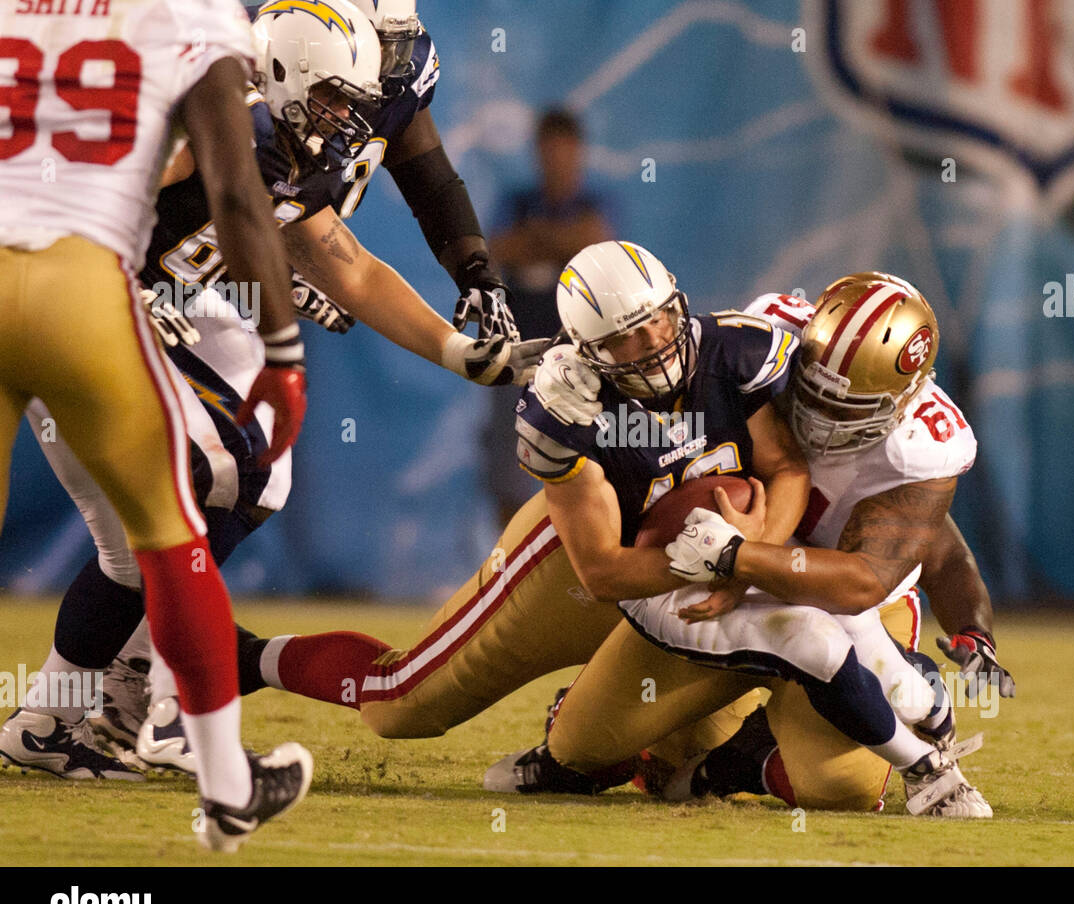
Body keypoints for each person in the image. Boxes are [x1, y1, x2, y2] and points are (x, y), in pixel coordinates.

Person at [0, 0, 545, 779]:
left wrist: (463, 355)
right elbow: (110, 185)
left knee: (252, 480)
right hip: (88, 308)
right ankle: (162, 702)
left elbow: (348, 265)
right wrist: (115, 281)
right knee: (203, 479)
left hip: (177, 306)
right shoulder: (226, 110)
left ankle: (66, 711)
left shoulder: (299, 133)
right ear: (282, 71)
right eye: (331, 100)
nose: (350, 122)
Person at [486, 272, 994, 816]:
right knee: (585, 743)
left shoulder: (922, 447)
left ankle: (894, 744)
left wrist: (738, 558)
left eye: (843, 409)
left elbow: (873, 578)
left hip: (819, 577)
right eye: (807, 390)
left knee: (838, 753)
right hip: (705, 568)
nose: (816, 417)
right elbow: (649, 343)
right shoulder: (767, 335)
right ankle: (918, 711)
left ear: (903, 400)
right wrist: (566, 366)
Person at [0, 0, 310, 850]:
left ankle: (64, 720)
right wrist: (283, 351)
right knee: (172, 537)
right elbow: (236, 193)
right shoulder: (191, 14)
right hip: (79, 288)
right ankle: (223, 785)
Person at [484, 108, 615, 526]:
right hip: (518, 354)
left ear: (579, 152)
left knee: (583, 460)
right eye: (548, 150)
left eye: (564, 150)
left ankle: (580, 560)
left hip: (579, 359)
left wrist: (538, 239)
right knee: (510, 463)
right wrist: (560, 243)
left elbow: (597, 245)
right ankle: (508, 561)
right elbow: (498, 250)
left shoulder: (595, 203)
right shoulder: (517, 201)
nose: (556, 159)